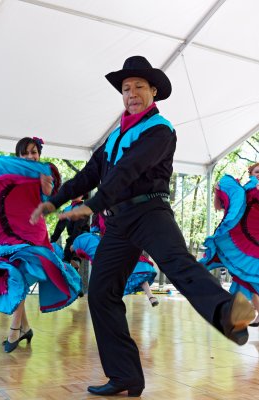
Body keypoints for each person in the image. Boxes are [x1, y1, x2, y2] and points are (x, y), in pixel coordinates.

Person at [30, 56, 255, 397]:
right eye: (125, 88)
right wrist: (55, 200)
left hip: (150, 211)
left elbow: (129, 171)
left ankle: (229, 313)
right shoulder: (113, 136)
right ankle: (126, 376)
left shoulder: (160, 130)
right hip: (119, 223)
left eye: (138, 87)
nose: (131, 93)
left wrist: (93, 204)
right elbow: (90, 173)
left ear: (153, 91)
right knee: (102, 293)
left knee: (179, 264)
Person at [0, 137, 82, 353]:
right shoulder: (9, 175)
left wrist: (47, 188)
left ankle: (15, 328)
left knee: (20, 272)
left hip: (32, 232)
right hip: (9, 232)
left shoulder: (45, 174)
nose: (30, 157)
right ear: (18, 157)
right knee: (14, 275)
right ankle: (25, 327)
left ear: (39, 153)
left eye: (33, 152)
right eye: (25, 153)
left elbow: (50, 198)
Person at [201, 162, 259, 327]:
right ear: (250, 173)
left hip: (253, 240)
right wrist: (217, 190)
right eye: (257, 171)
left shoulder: (253, 189)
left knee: (251, 275)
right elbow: (218, 207)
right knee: (245, 277)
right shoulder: (241, 190)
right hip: (238, 237)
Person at [72, 213, 159, 306]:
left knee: (138, 269)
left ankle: (150, 296)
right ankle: (112, 301)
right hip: (109, 246)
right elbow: (96, 234)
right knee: (111, 275)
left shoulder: (120, 208)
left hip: (125, 243)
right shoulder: (98, 216)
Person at [50, 194, 90, 266]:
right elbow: (59, 227)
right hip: (72, 236)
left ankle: (76, 260)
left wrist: (73, 243)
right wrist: (52, 240)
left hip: (82, 236)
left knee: (74, 255)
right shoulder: (67, 209)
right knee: (65, 259)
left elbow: (78, 227)